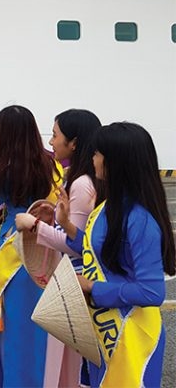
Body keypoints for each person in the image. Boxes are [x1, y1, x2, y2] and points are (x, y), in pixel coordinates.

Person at [65, 122, 174, 388]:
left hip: (132, 334)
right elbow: (96, 251)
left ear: (115, 162)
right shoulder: (106, 206)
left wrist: (93, 287)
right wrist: (65, 225)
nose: (93, 158)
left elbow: (152, 292)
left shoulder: (141, 220)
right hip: (103, 330)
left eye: (98, 153)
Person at [0, 105, 62, 387]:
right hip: (42, 249)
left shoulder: (6, 169)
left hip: (12, 251)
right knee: (34, 328)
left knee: (9, 327)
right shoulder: (48, 164)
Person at [14, 108, 103, 387]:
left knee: (70, 367)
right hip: (76, 279)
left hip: (73, 281)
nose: (51, 142)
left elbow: (75, 245)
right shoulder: (80, 178)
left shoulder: (80, 183)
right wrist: (55, 216)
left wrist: (34, 226)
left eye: (55, 135)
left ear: (73, 142)